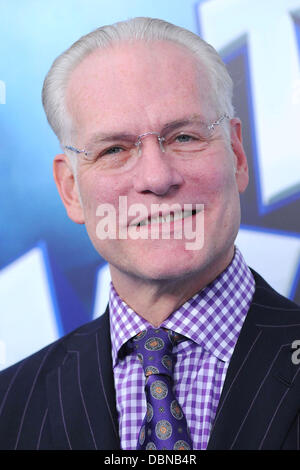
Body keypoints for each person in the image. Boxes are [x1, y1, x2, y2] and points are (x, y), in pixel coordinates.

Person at [0, 17, 299, 451]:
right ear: (71, 190)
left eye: (183, 136)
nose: (157, 178)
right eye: (114, 150)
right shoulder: (10, 407)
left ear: (236, 155)